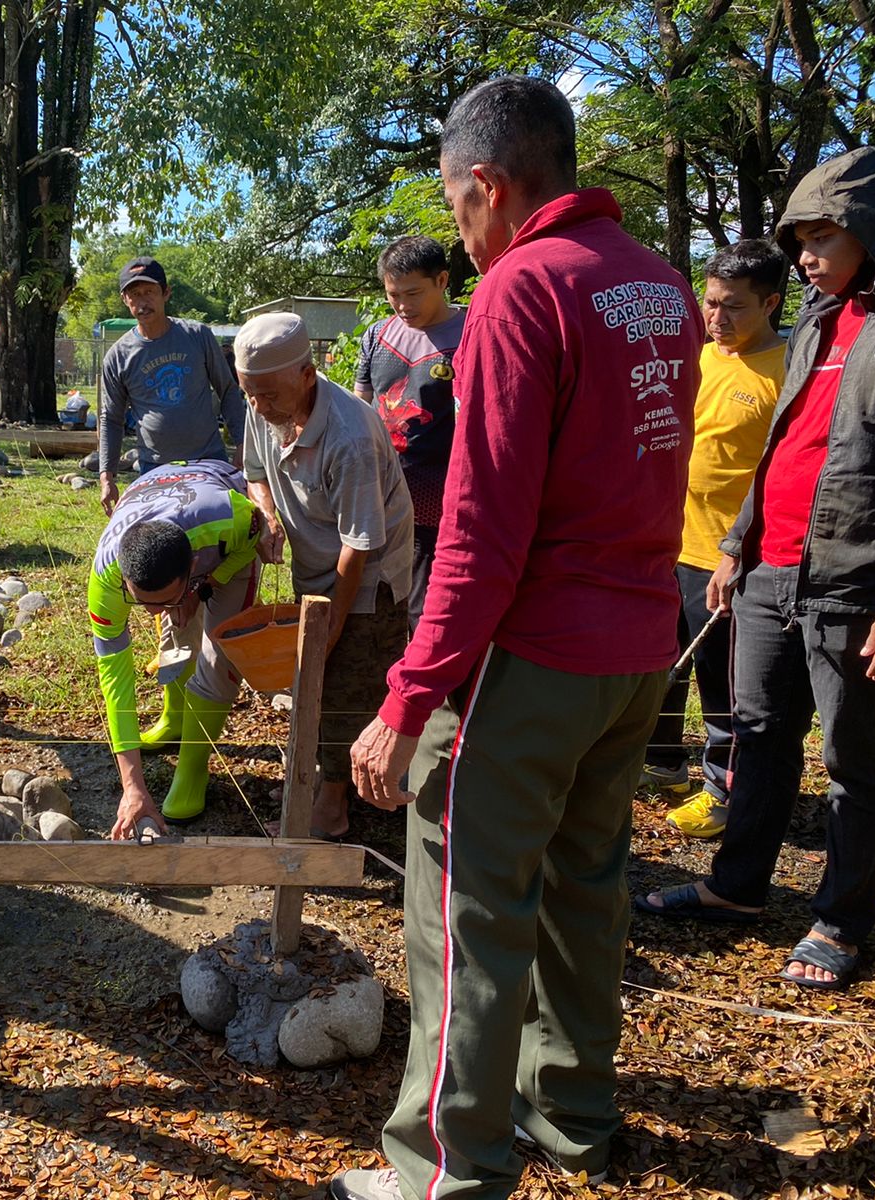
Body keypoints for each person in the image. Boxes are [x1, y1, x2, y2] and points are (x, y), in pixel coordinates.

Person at [339, 77, 701, 1200]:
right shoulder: (659, 285)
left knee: (464, 917)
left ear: (488, 186)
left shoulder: (519, 293)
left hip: (534, 659)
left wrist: (407, 699)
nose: (458, 232)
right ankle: (574, 1117)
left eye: (455, 210)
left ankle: (444, 1168)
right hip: (638, 651)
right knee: (586, 891)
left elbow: (480, 535)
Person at [636, 146, 875, 992]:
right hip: (766, 573)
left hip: (855, 581)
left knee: (854, 761)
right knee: (757, 735)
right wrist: (735, 546)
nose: (809, 254)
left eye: (828, 235)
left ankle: (841, 918)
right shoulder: (819, 324)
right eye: (802, 237)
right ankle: (737, 889)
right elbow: (780, 448)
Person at [238, 312, 414, 840]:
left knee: (343, 680)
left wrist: (329, 629)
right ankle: (317, 780)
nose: (258, 407)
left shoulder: (350, 436)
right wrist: (269, 515)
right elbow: (253, 473)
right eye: (250, 394)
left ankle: (332, 809)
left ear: (307, 374)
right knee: (309, 678)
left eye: (268, 395)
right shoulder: (263, 405)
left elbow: (359, 547)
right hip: (313, 565)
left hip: (368, 578)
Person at [641, 240, 787, 835]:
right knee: (660, 666)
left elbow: (782, 475)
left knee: (720, 679)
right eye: (709, 303)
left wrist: (738, 552)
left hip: (730, 557)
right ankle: (662, 761)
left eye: (734, 307)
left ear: (772, 303)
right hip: (668, 543)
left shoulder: (787, 371)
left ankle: (722, 790)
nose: (717, 319)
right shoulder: (700, 357)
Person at [88, 460, 269, 834]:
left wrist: (205, 587)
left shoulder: (231, 519)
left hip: (221, 527)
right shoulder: (105, 583)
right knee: (174, 631)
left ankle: (192, 767)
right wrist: (132, 786)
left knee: (219, 651)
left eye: (164, 598)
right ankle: (173, 720)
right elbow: (116, 683)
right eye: (143, 602)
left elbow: (251, 540)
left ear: (192, 567)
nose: (154, 611)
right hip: (158, 498)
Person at [353, 235, 467, 628]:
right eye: (393, 295)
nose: (403, 306)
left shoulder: (472, 333)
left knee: (426, 608)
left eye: (413, 293)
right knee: (379, 598)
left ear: (442, 281)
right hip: (382, 491)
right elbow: (359, 409)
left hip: (443, 495)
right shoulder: (377, 336)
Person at [98, 256, 246, 515]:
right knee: (165, 542)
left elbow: (228, 390)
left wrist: (244, 442)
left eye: (149, 292)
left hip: (208, 459)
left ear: (165, 293)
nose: (143, 302)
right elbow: (111, 418)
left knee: (221, 533)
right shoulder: (118, 356)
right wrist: (106, 476)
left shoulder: (197, 336)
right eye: (134, 294)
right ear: (125, 300)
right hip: (155, 466)